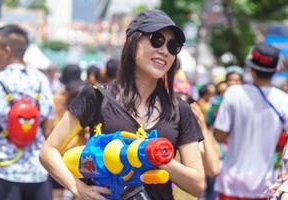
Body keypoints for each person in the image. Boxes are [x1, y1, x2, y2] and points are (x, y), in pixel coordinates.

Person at [39, 9, 205, 200]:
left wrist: (155, 154)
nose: (164, 51)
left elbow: (197, 185)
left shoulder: (180, 108)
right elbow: (48, 151)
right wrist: (77, 188)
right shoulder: (97, 96)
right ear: (132, 42)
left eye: (173, 46)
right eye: (156, 40)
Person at [214, 43, 288, 199]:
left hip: (230, 184)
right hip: (264, 185)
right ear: (276, 70)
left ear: (251, 68)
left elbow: (219, 136)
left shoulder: (233, 93)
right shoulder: (284, 100)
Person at [0, 24, 54, 199]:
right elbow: (49, 129)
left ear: (6, 51)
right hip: (38, 173)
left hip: (1, 172)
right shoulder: (41, 80)